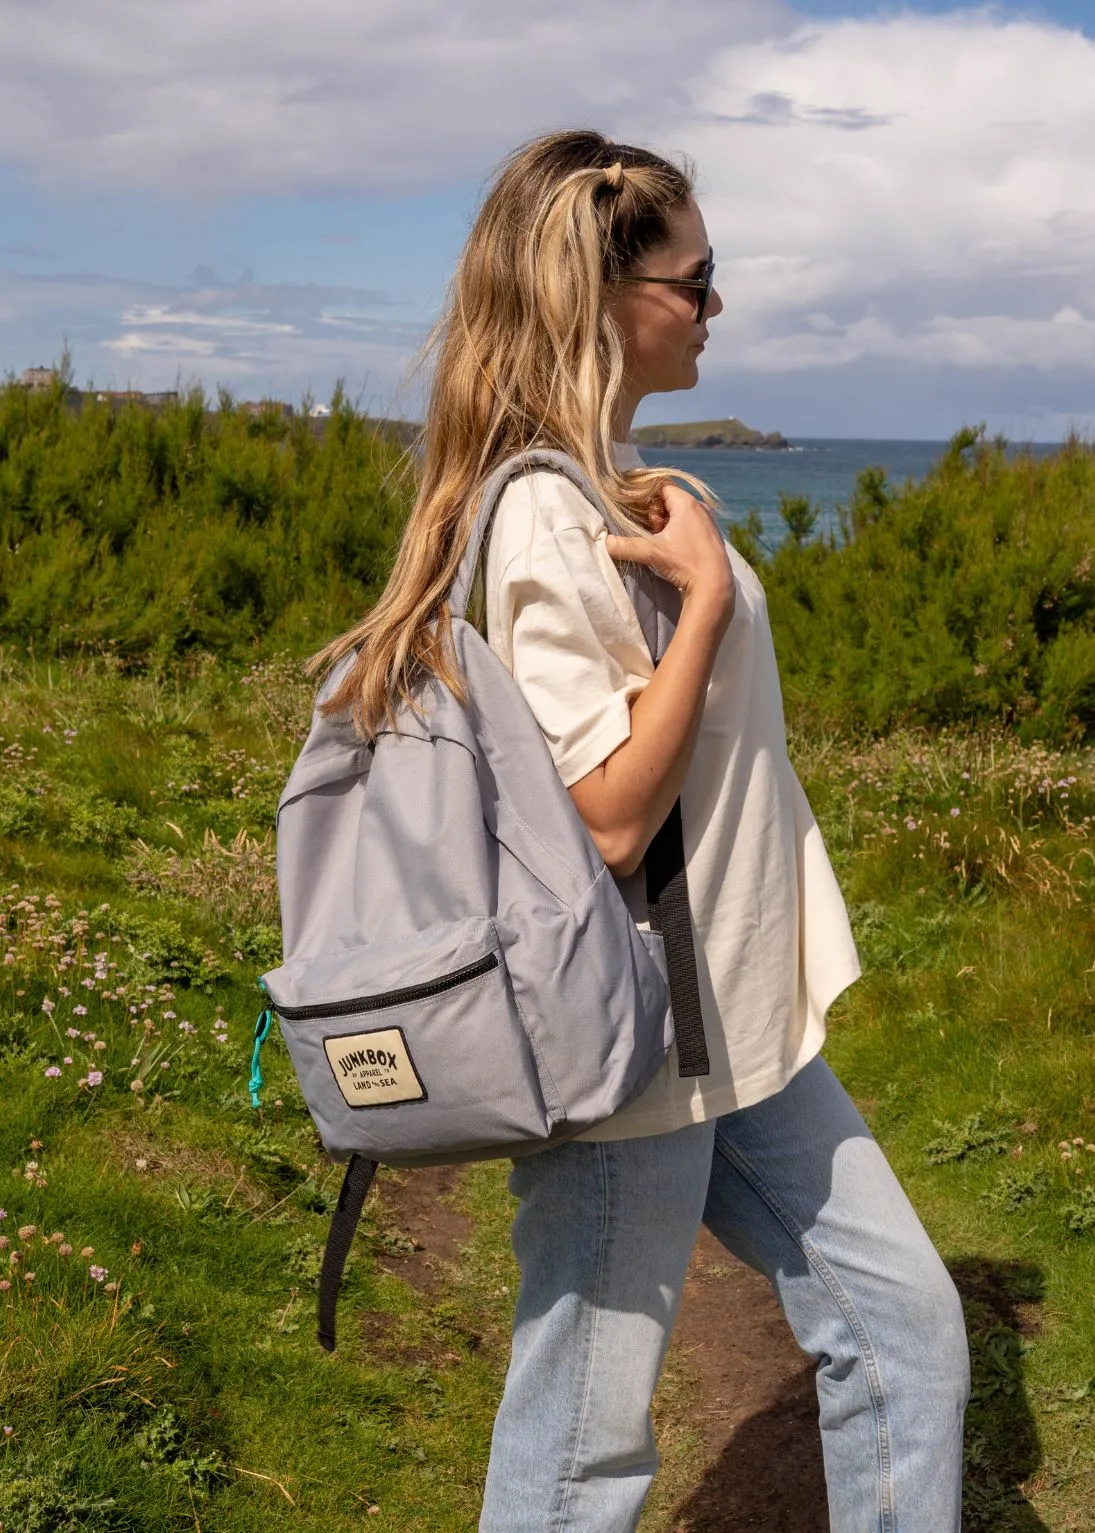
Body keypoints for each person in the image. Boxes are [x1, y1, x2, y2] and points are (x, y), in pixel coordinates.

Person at [319, 130, 970, 1532]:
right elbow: (608, 819)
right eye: (697, 279)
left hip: (727, 1027)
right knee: (580, 1446)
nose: (714, 306)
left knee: (906, 1332)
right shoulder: (548, 513)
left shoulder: (602, 480)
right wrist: (711, 610)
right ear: (607, 295)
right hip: (633, 1040)